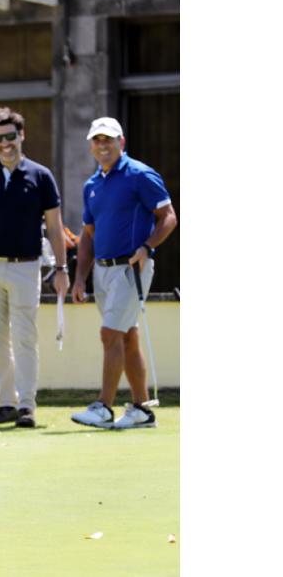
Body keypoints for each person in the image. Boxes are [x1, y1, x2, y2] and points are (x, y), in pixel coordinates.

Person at [0, 107, 69, 428]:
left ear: (22, 135)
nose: (4, 144)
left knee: (24, 337)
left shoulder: (41, 176)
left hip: (26, 267)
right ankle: (5, 403)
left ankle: (26, 406)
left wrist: (61, 269)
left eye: (10, 137)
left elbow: (56, 226)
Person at [69, 117, 177, 430]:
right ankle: (142, 410)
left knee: (109, 333)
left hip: (133, 267)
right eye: (97, 140)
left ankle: (103, 407)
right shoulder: (92, 185)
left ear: (121, 142)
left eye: (109, 140)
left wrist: (147, 247)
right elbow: (88, 235)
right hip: (103, 272)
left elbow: (168, 217)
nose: (103, 145)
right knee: (127, 336)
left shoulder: (139, 174)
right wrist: (79, 277)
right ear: (91, 146)